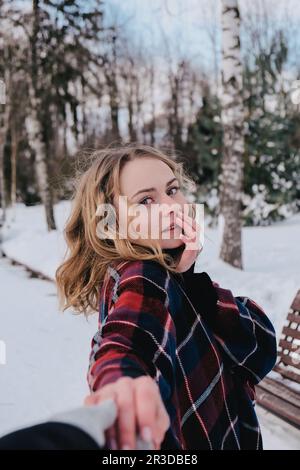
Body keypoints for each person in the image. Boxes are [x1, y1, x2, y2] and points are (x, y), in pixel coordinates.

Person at [55, 143, 277, 451]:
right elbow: (128, 340)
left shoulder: (160, 273)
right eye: (146, 200)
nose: (171, 206)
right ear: (110, 221)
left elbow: (259, 348)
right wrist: (124, 384)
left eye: (172, 190)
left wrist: (189, 279)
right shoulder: (142, 276)